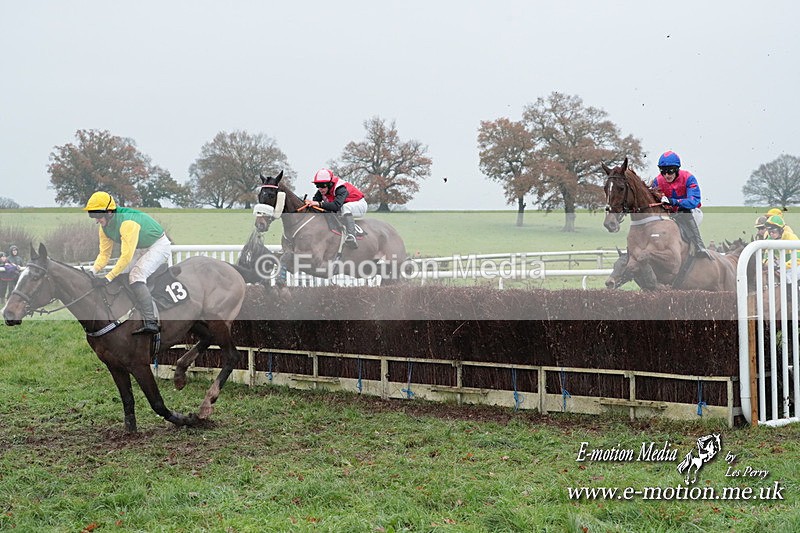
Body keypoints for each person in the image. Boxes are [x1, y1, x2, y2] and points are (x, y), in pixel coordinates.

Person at [83, 191, 172, 335]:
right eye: (93, 216)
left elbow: (126, 256)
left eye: (98, 216)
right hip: (141, 247)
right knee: (123, 275)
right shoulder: (104, 228)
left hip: (158, 245)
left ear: (110, 212)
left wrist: (107, 278)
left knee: (136, 276)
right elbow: (104, 255)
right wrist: (93, 270)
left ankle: (151, 321)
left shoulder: (127, 223)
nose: (96, 220)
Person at [650, 150, 711, 259]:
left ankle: (699, 245)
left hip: (691, 212)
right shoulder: (657, 181)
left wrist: (674, 201)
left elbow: (694, 201)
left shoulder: (688, 178)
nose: (667, 175)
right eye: (663, 171)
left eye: (670, 171)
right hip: (670, 214)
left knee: (684, 213)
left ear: (677, 169)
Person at [305, 168, 368, 249]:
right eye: (317, 186)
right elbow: (315, 204)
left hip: (359, 205)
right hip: (343, 206)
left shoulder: (340, 188)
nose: (320, 188)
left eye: (323, 185)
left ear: (330, 184)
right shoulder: (322, 190)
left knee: (345, 208)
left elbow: (336, 206)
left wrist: (319, 204)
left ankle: (351, 235)